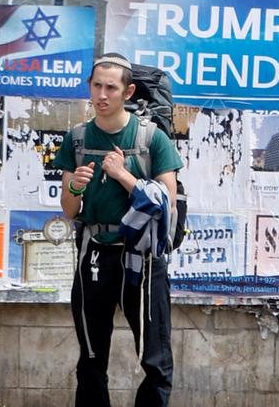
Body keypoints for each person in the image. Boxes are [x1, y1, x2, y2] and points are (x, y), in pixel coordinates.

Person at [53, 53, 183, 407]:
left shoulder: (151, 138)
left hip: (141, 257)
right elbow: (69, 210)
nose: (102, 94)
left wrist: (123, 175)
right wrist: (76, 187)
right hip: (94, 251)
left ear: (128, 92)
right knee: (91, 356)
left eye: (111, 87)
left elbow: (165, 205)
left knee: (155, 357)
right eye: (96, 86)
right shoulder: (77, 139)